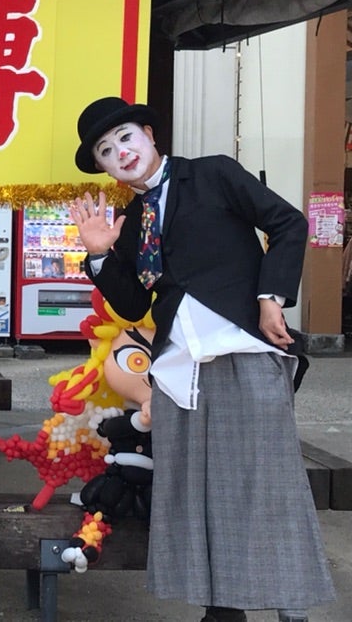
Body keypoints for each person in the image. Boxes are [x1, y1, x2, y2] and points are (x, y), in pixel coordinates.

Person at [68, 96, 334, 622]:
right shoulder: (132, 219)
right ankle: (221, 607)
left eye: (125, 138)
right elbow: (133, 305)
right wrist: (99, 255)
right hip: (179, 370)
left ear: (149, 134)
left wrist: (270, 297)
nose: (121, 152)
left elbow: (288, 222)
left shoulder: (213, 174)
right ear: (103, 167)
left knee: (270, 479)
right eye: (106, 151)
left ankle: (291, 601)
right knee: (197, 490)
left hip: (243, 347)